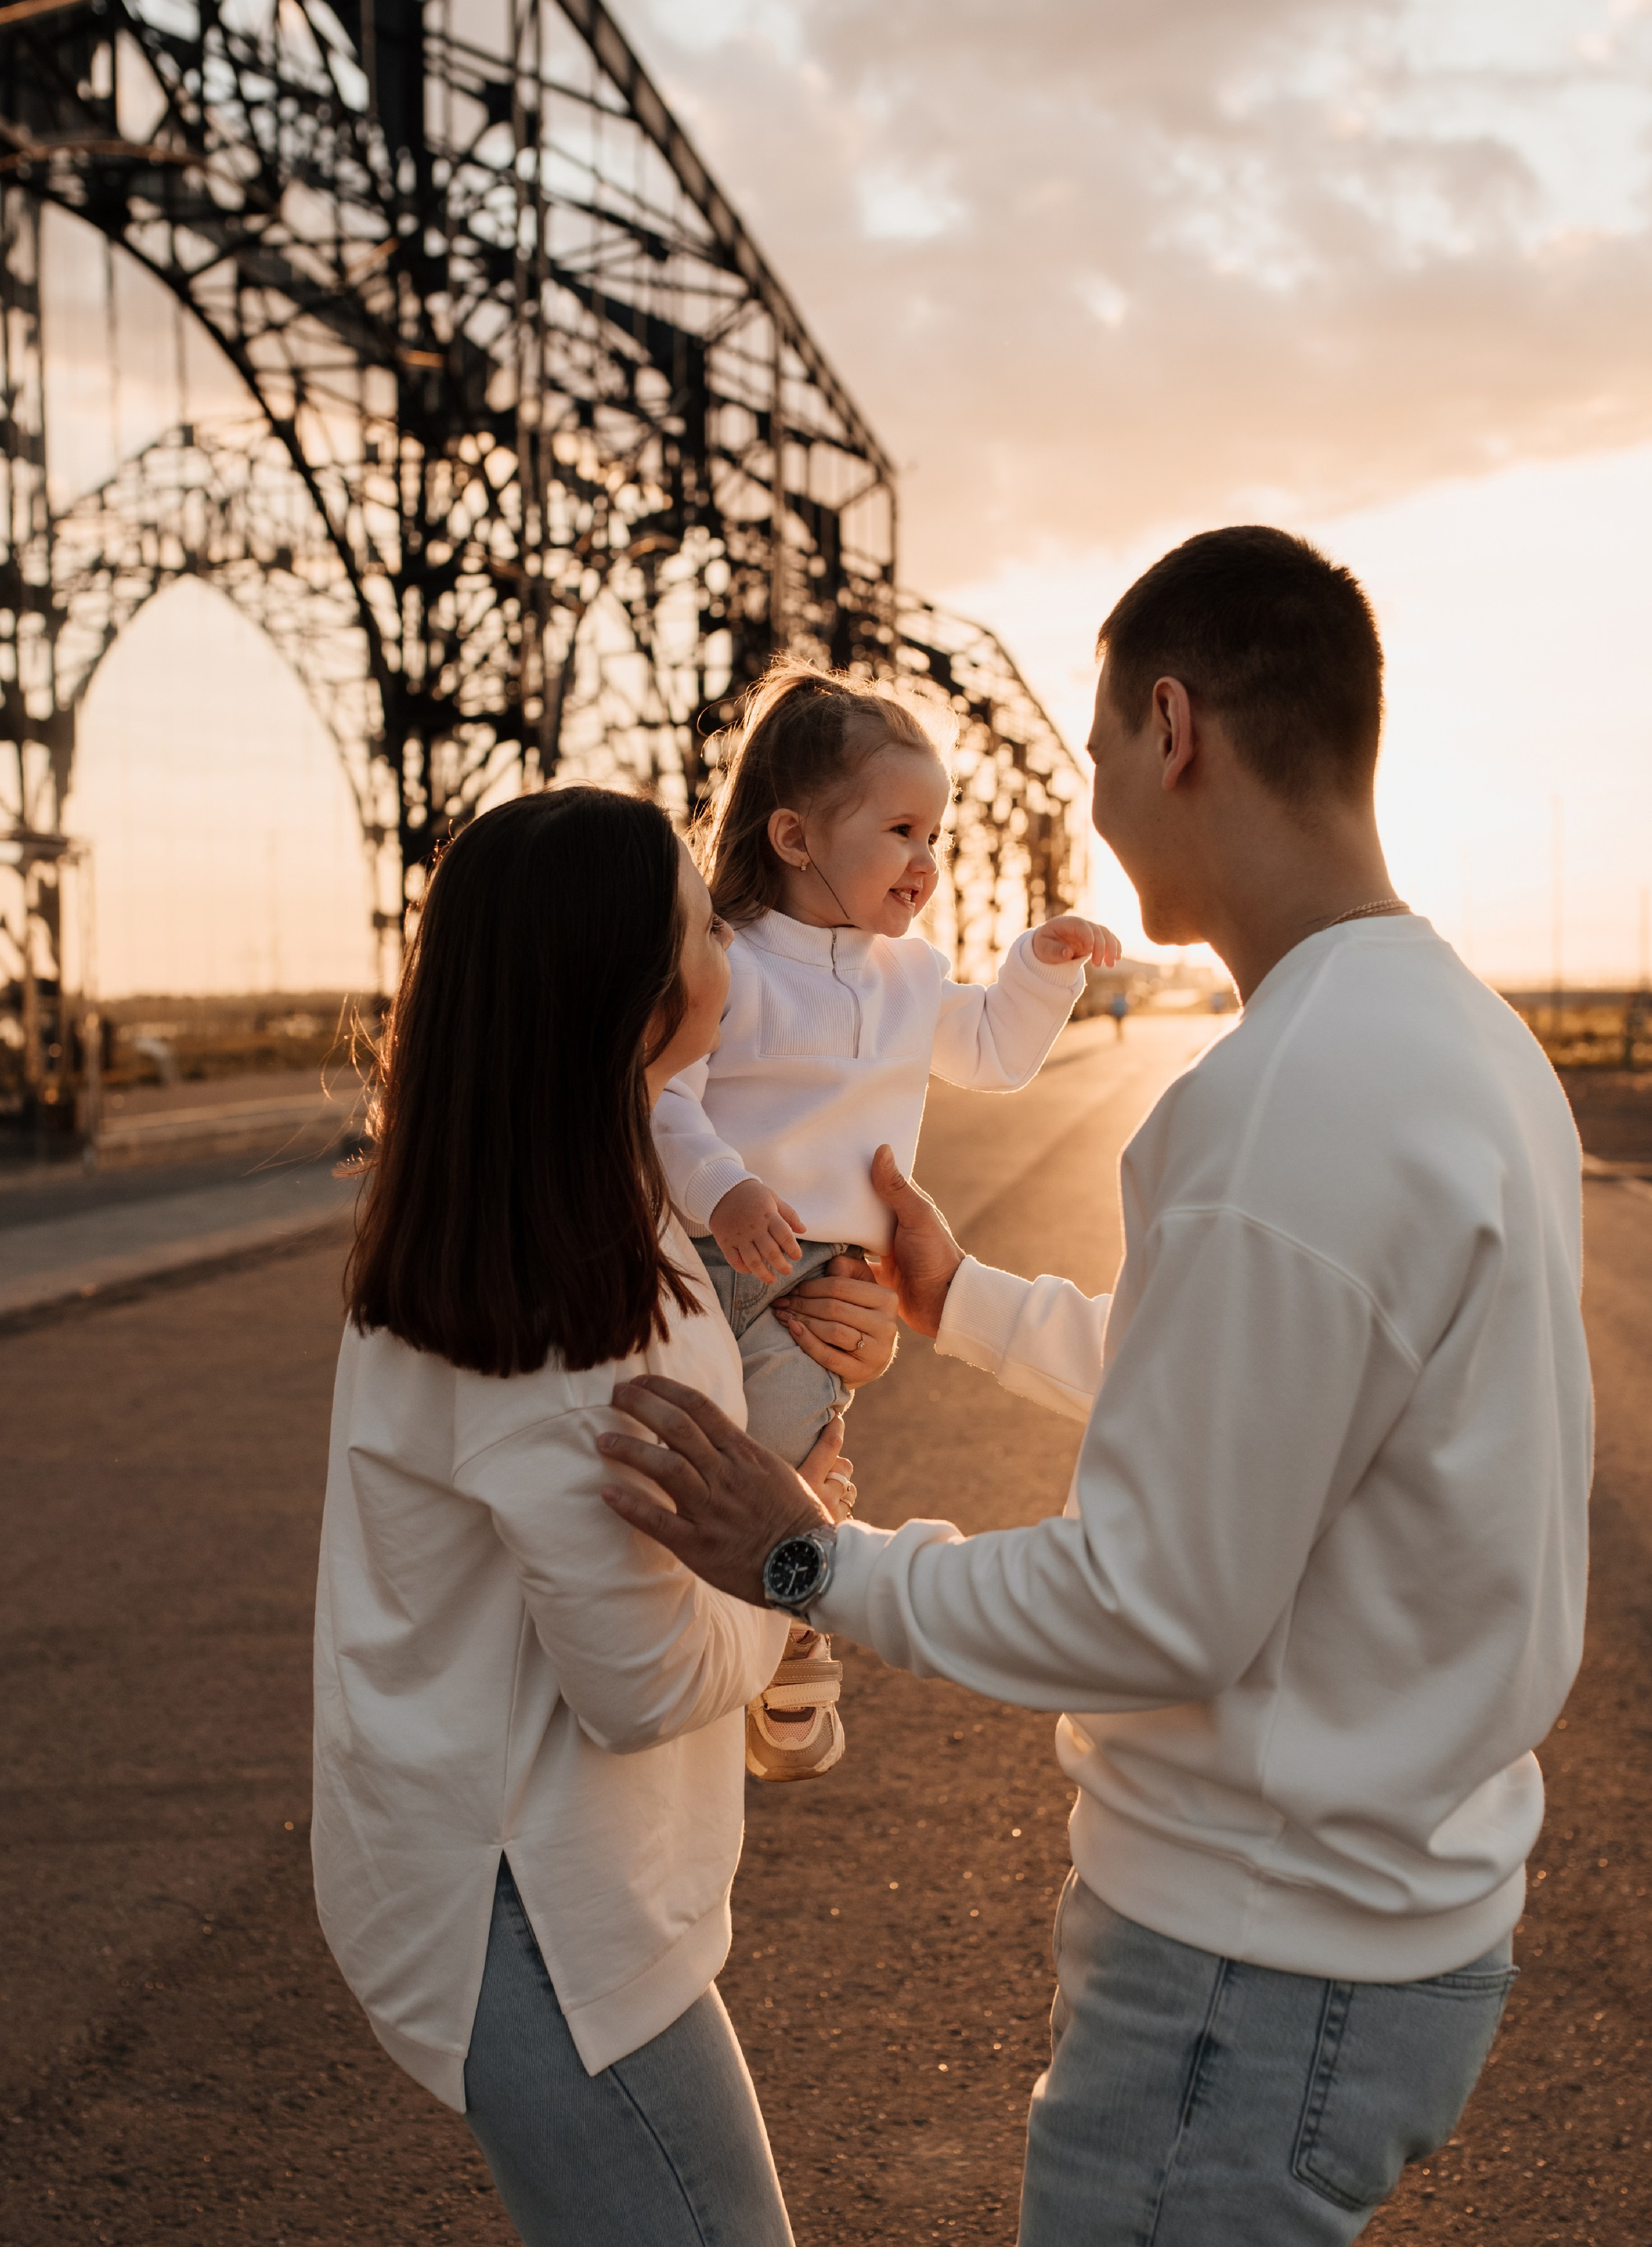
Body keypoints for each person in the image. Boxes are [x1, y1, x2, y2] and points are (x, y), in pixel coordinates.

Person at [598, 527, 1593, 2245]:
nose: (1093, 805)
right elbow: (1267, 1397)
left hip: (1248, 1966)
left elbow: (1156, 1601)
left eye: (1093, 758)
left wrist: (805, 1563)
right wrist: (962, 1299)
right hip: (1389, 1915)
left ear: (1171, 724)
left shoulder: (1286, 1095)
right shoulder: (1459, 1040)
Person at [310, 785, 896, 2247]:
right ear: (636, 1001)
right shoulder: (563, 1320)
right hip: (537, 1913)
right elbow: (638, 1680)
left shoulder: (546, 1210)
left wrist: (829, 1348)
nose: (731, 936)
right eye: (701, 920)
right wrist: (798, 1557)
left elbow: (686, 1466)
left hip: (515, 1867)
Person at [653, 658, 1119, 1778]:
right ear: (797, 837)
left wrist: (1038, 969)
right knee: (696, 1448)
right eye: (902, 830)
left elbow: (997, 1054)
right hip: (710, 1242)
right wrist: (726, 1186)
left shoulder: (912, 978)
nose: (927, 859)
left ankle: (787, 1624)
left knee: (780, 1445)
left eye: (937, 835)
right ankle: (724, 1629)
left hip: (823, 1281)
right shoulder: (729, 961)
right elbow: (665, 1100)